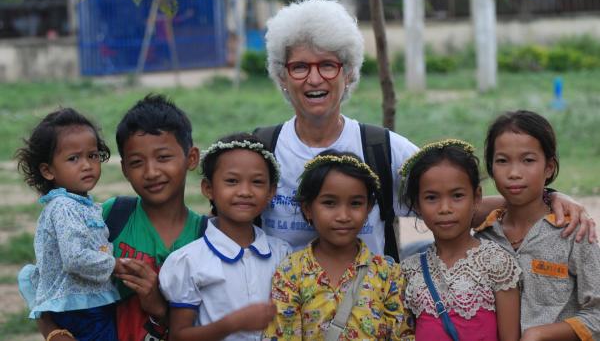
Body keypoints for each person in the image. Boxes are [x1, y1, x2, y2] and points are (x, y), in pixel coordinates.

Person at [254, 0, 596, 261]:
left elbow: (457, 204)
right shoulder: (263, 151)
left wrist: (549, 200)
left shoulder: (382, 149)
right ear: (282, 76)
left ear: (349, 73)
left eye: (328, 65)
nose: (314, 78)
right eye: (300, 67)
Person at [28, 94, 207, 341]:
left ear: (191, 158)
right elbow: (48, 280)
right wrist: (53, 332)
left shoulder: (207, 237)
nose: (152, 172)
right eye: (136, 162)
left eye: (163, 157)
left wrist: (158, 306)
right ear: (124, 169)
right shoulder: (110, 216)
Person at [263, 150, 415, 340]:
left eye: (355, 203)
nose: (343, 216)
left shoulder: (389, 274)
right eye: (329, 203)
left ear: (368, 209)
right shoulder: (291, 272)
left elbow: (403, 335)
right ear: (308, 208)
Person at [475, 110, 600, 340]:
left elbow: (597, 313)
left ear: (549, 167)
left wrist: (539, 334)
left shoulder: (574, 232)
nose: (514, 173)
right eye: (502, 161)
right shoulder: (483, 237)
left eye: (528, 160)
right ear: (491, 167)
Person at [159, 133, 291, 341]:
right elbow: (179, 336)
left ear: (271, 191)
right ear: (208, 189)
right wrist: (234, 323)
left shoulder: (283, 254)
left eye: (257, 182)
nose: (245, 191)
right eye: (232, 181)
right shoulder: (189, 262)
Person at [400, 139, 521, 341]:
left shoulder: (496, 263)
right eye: (431, 198)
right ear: (417, 205)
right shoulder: (409, 271)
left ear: (476, 197)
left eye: (457, 196)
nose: (445, 208)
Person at [16, 108, 120, 341]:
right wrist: (115, 265)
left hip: (83, 304)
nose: (87, 165)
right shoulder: (64, 206)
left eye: (92, 155)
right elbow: (75, 258)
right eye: (74, 158)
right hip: (81, 308)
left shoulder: (80, 204)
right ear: (48, 170)